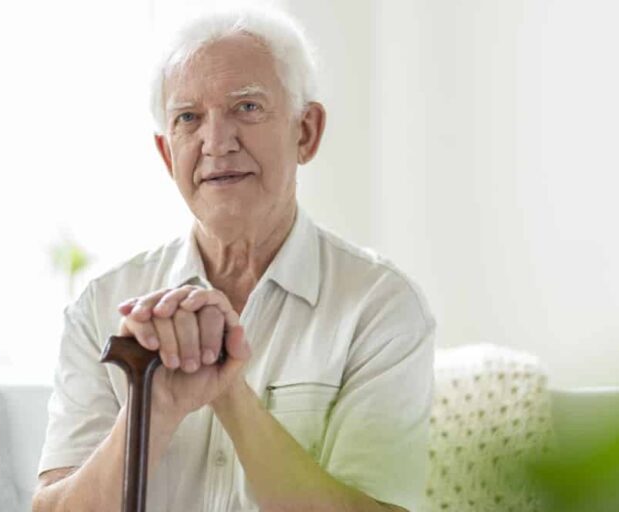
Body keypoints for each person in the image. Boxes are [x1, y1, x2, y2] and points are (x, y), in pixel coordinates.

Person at [32, 6, 435, 512]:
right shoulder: (102, 307)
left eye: (246, 107)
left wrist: (228, 392)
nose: (216, 143)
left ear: (306, 131)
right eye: (188, 118)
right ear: (166, 153)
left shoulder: (381, 307)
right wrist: (152, 410)